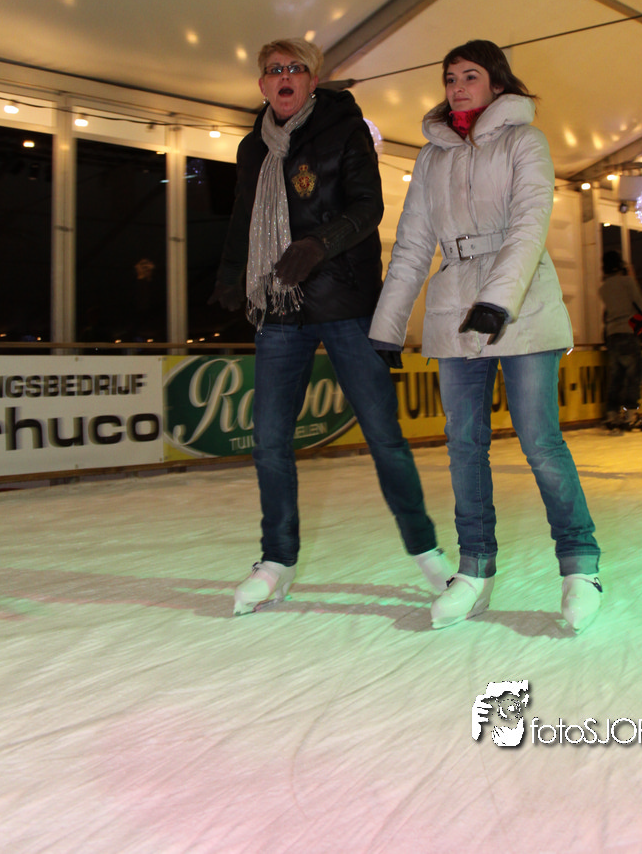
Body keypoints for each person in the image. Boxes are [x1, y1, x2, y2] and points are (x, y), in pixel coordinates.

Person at [210, 37, 452, 615]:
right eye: (274, 70)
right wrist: (229, 274)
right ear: (262, 85)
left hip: (345, 303)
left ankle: (426, 550)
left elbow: (369, 208)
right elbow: (244, 217)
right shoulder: (252, 147)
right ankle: (276, 562)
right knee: (270, 442)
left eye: (295, 68)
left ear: (312, 80)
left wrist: (319, 244)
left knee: (383, 435)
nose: (285, 77)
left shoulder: (346, 130)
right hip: (279, 306)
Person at [369, 40, 601, 632]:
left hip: (522, 303)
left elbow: (529, 224)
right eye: (450, 78)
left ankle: (580, 566)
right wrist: (387, 327)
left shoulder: (526, 141)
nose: (457, 87)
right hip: (453, 307)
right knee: (464, 445)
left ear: (497, 83)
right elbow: (413, 244)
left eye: (469, 76)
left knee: (540, 440)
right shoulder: (432, 157)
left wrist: (497, 301)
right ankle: (474, 570)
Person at [598, 251, 642, 430]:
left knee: (616, 377)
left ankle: (612, 414)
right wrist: (632, 277)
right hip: (628, 331)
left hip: (612, 335)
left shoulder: (603, 288)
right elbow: (641, 304)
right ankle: (630, 415)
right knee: (633, 376)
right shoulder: (627, 282)